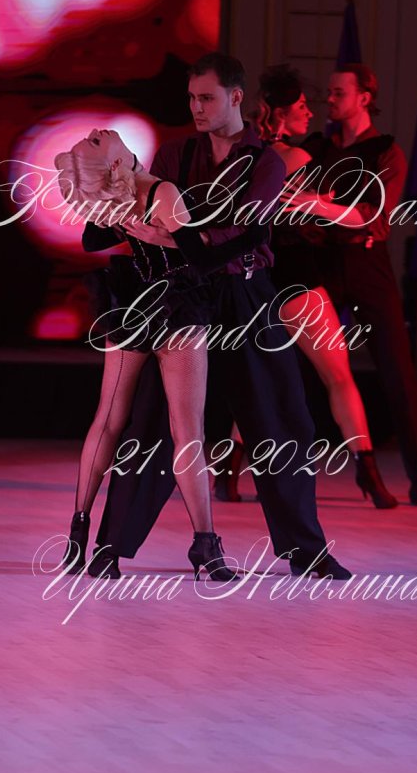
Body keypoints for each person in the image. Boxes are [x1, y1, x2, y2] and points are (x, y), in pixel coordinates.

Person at [90, 53, 352, 581]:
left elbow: (235, 233)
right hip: (183, 296)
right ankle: (110, 545)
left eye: (206, 98)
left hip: (245, 297)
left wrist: (173, 235)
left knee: (281, 418)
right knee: (153, 422)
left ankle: (305, 548)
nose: (197, 107)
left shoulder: (266, 163)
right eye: (191, 98)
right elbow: (145, 213)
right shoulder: (174, 154)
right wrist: (150, 228)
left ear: (235, 97)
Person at [55, 128, 236, 582]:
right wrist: (173, 239)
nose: (97, 132)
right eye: (95, 143)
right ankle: (205, 542)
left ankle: (78, 533)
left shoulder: (119, 198)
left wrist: (123, 218)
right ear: (115, 164)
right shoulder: (163, 191)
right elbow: (201, 261)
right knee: (187, 431)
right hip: (176, 306)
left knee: (108, 419)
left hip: (132, 305)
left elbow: (90, 242)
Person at [280, 63, 417, 507]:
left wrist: (320, 205)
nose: (329, 100)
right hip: (322, 263)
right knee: (295, 365)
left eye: (338, 93)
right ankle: (249, 469)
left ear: (364, 98)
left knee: (397, 370)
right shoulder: (317, 148)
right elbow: (288, 195)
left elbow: (374, 217)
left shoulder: (386, 152)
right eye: (329, 93)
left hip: (368, 263)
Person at [253, 64, 397, 509]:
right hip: (295, 278)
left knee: (263, 380)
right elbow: (353, 214)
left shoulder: (243, 155)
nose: (311, 113)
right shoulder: (298, 160)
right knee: (338, 377)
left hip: (254, 279)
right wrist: (326, 207)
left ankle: (227, 473)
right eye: (301, 106)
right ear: (280, 114)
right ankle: (369, 474)